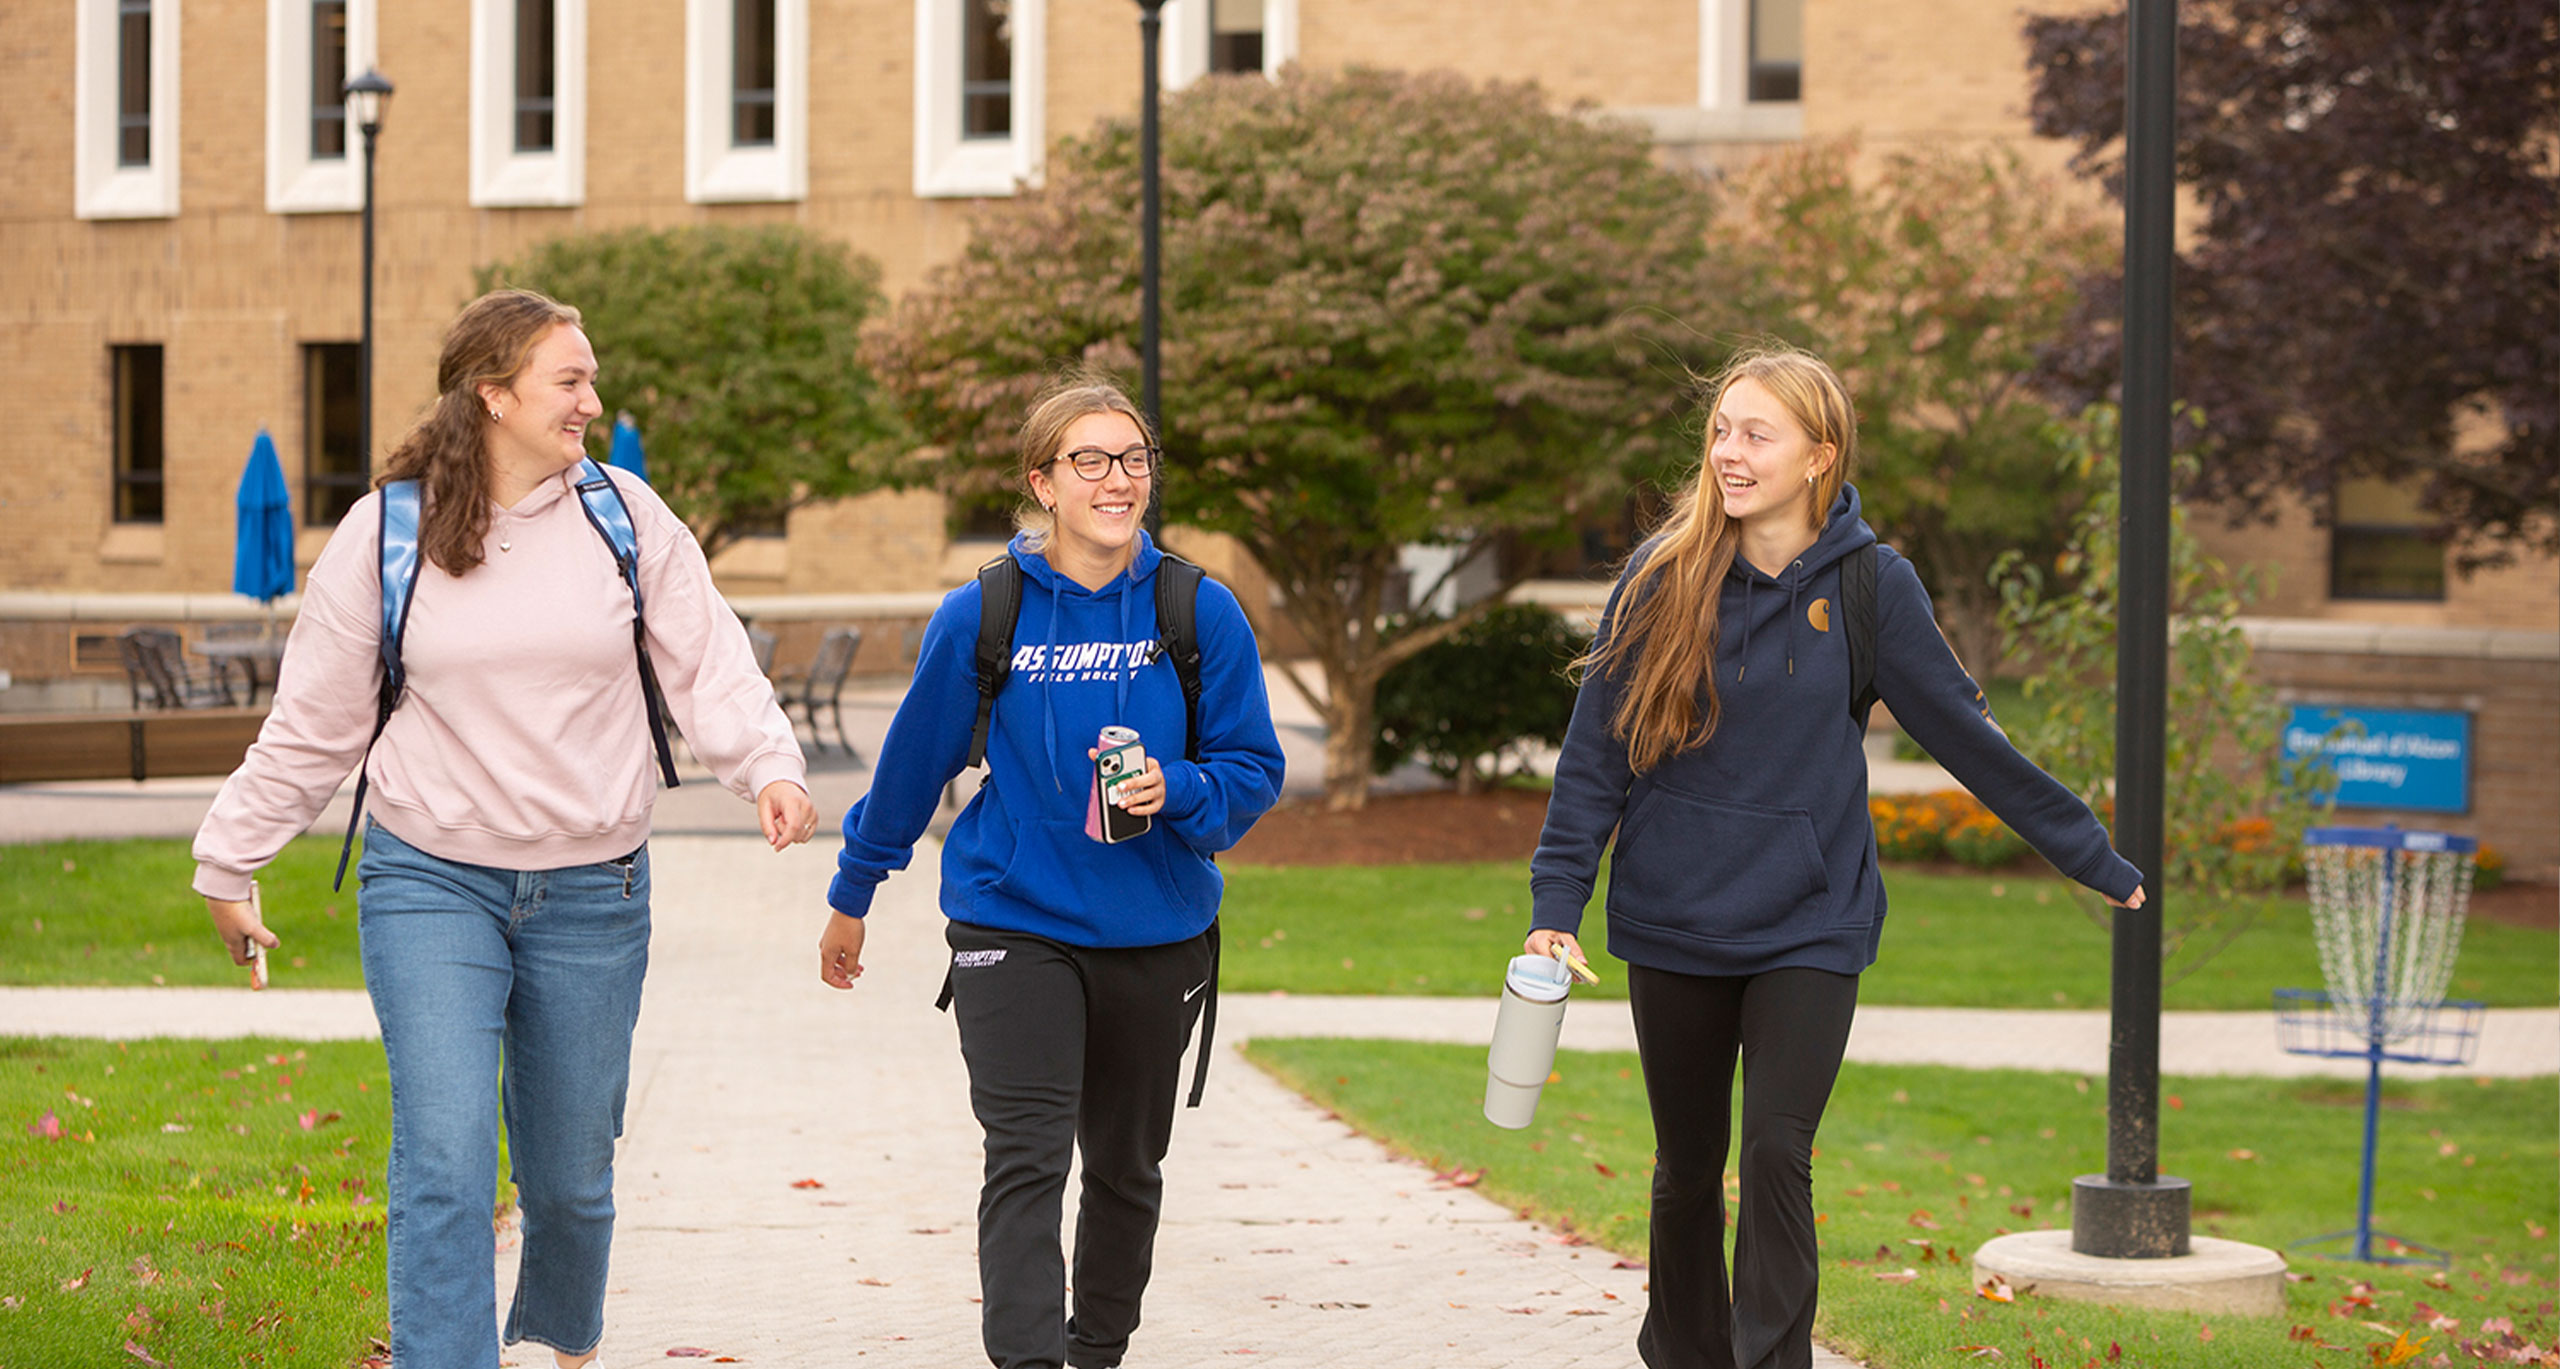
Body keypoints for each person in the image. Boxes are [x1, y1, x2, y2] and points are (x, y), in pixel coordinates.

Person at [193, 288, 817, 1369]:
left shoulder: (622, 515)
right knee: (442, 1155)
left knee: (571, 1178)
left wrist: (766, 765)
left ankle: (563, 1337)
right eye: (568, 380)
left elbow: (707, 658)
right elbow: (315, 721)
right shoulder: (386, 532)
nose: (591, 399)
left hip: (594, 889)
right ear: (493, 394)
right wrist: (230, 853)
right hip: (431, 881)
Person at [1525, 347, 2145, 1369]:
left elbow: (1964, 735)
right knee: (1687, 1168)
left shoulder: (1871, 585)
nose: (1727, 452)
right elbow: (1596, 754)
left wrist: (2085, 850)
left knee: (1777, 1150)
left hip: (1811, 918)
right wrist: (1558, 902)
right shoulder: (1660, 574)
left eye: (1753, 433)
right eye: (1720, 430)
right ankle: (1684, 1353)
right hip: (1673, 913)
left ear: (1819, 454)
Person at [817, 375, 1284, 1369]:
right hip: (1013, 920)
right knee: (1024, 1157)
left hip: (1156, 931)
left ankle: (1095, 1350)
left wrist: (1184, 789)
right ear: (1043, 481)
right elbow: (911, 767)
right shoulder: (984, 613)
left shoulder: (1197, 611)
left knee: (1124, 1166)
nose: (1117, 479)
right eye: (1090, 460)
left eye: (1133, 459)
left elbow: (1254, 771)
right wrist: (853, 892)